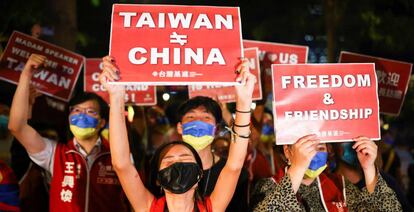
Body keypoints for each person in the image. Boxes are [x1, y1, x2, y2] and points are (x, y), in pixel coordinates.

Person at [100, 55, 256, 211]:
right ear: (158, 179)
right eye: (168, 161)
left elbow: (234, 166)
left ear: (199, 176)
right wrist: (116, 97)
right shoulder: (149, 208)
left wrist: (244, 100)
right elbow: (121, 165)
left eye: (185, 158)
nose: (177, 164)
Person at [8, 54, 129, 212]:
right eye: (76, 110)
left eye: (90, 111)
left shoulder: (117, 157)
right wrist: (26, 75)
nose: (81, 115)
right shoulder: (55, 154)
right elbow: (17, 127)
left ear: (102, 122)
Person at [252, 135, 402, 211]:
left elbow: (389, 209)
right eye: (307, 148)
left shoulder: (339, 185)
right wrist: (297, 168)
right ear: (287, 151)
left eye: (321, 148)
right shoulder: (268, 186)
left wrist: (369, 169)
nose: (314, 154)